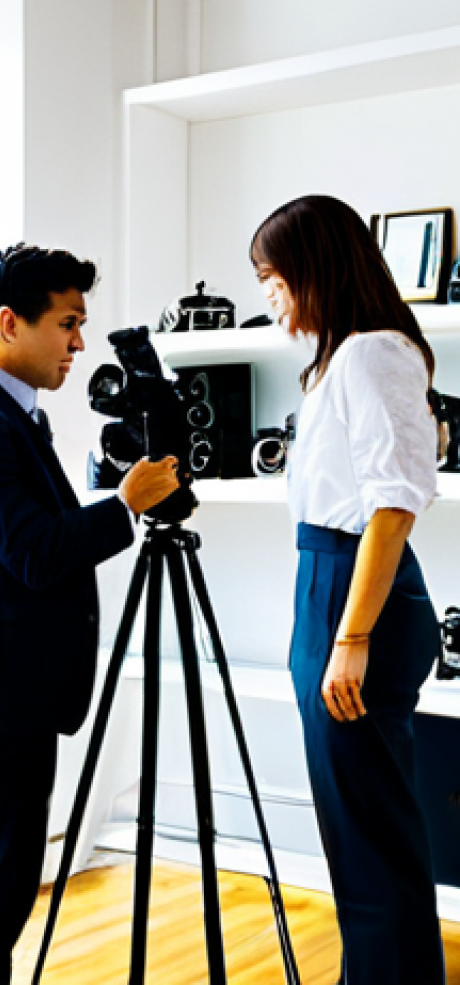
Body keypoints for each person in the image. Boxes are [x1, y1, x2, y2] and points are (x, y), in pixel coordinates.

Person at [0, 243, 180, 984]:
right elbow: (35, 552)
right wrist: (124, 506)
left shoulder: (9, 413)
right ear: (10, 323)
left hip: (4, 685)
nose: (80, 343)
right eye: (69, 323)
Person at [251, 195, 445, 985]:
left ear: (314, 267)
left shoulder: (372, 353)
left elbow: (392, 502)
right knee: (359, 824)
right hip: (329, 584)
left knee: (369, 827)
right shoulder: (340, 357)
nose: (267, 290)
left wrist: (352, 637)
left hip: (354, 593)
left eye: (273, 274)